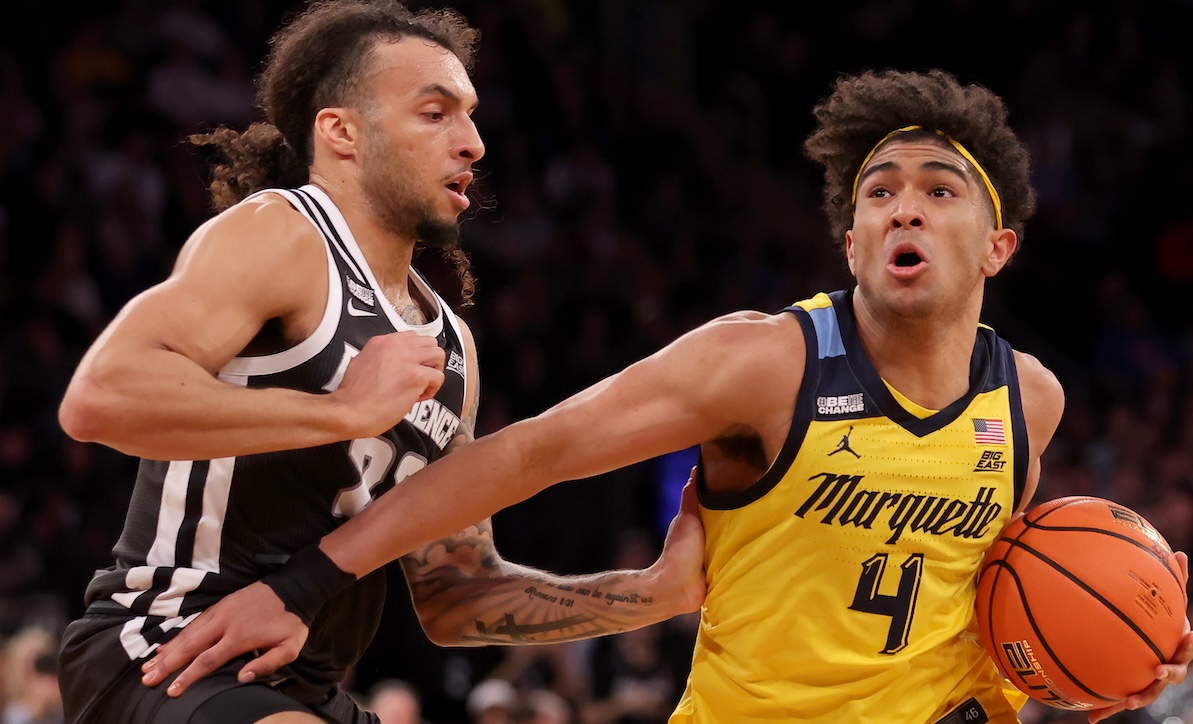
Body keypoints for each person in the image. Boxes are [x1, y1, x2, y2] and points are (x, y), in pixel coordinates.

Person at [141, 68, 1193, 722]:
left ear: (998, 246)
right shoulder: (762, 361)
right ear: (850, 241)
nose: (900, 208)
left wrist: (1119, 649)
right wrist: (310, 582)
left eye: (937, 191)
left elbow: (1001, 591)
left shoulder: (1030, 398)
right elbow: (522, 454)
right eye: (878, 193)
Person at [53, 2, 704, 723]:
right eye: (437, 114)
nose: (474, 143)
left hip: (297, 686)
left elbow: (457, 596)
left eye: (472, 116)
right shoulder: (281, 233)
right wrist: (340, 412)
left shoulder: (451, 348)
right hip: (169, 652)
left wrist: (653, 593)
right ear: (341, 132)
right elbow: (100, 397)